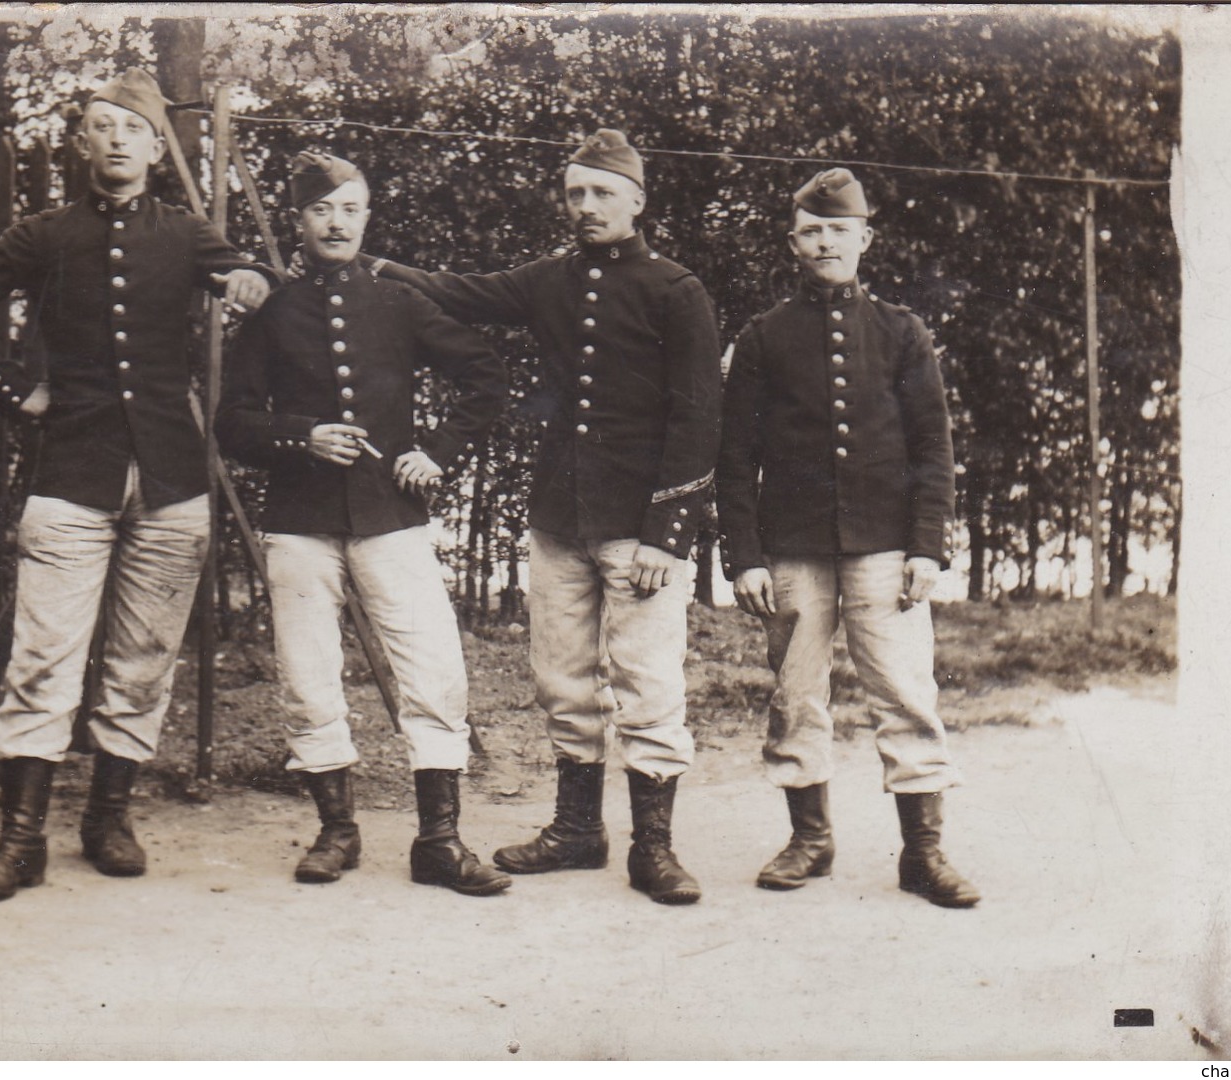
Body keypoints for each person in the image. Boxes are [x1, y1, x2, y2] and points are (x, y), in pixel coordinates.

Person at [0, 68, 276, 903]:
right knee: (44, 656)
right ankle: (19, 839)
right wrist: (16, 391)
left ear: (158, 149)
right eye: (100, 126)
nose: (115, 140)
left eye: (131, 129)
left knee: (144, 658)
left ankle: (109, 817)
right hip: (70, 474)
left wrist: (249, 282)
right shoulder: (45, 234)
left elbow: (245, 278)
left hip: (171, 480)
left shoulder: (186, 235)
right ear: (81, 144)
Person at [370, 130, 722, 905]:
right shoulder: (549, 280)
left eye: (601, 193)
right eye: (574, 193)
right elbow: (458, 291)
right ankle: (576, 832)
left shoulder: (675, 289)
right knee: (561, 677)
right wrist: (369, 266)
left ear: (637, 200)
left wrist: (671, 533)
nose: (586, 207)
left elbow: (699, 417)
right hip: (560, 516)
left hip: (641, 527)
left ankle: (653, 850)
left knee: (648, 683)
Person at [216, 152, 511, 897]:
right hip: (300, 518)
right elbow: (232, 423)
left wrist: (435, 451)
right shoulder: (274, 312)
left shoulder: (397, 303)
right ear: (301, 222)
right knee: (309, 677)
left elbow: (483, 374)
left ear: (366, 216)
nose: (336, 222)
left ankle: (439, 840)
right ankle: (335, 830)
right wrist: (298, 436)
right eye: (321, 211)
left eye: (349, 209)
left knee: (431, 668)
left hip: (390, 515)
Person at [714, 167, 980, 908]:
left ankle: (922, 854)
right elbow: (734, 458)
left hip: (885, 549)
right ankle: (810, 840)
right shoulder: (762, 338)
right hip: (792, 550)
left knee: (903, 694)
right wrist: (742, 556)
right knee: (796, 697)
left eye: (838, 230)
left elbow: (932, 447)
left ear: (865, 238)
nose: (825, 242)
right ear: (791, 242)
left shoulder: (901, 333)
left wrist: (926, 546)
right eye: (811, 231)